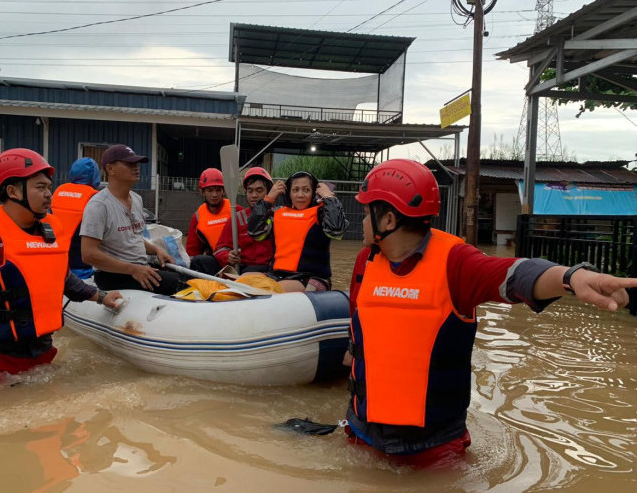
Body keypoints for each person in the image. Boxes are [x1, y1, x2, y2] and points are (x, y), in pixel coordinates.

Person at [344, 159, 637, 466]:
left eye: (366, 213)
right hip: (363, 432)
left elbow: (516, 273)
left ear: (388, 220)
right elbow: (358, 325)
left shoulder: (456, 263)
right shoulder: (366, 261)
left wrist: (570, 277)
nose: (362, 221)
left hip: (432, 447)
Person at [0, 148, 122, 392]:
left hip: (40, 354)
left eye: (49, 187)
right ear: (12, 191)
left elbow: (62, 277)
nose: (49, 195)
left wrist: (100, 297)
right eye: (40, 188)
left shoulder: (50, 232)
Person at [80, 144, 185, 295]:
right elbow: (88, 254)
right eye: (129, 164)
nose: (136, 168)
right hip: (113, 275)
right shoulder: (99, 205)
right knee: (179, 285)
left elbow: (130, 237)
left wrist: (156, 250)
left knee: (188, 273)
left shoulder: (137, 199)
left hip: (139, 267)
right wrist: (133, 269)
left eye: (136, 164)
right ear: (110, 169)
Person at [248, 171, 348, 292]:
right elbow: (255, 233)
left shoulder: (321, 214)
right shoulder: (277, 214)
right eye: (295, 190)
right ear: (289, 194)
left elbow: (336, 231)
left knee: (275, 289)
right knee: (244, 278)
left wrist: (329, 198)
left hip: (311, 278)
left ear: (313, 193)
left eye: (306, 190)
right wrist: (268, 200)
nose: (300, 195)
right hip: (277, 276)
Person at [213, 167, 275, 274]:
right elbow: (220, 248)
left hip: (264, 270)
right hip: (238, 267)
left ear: (269, 192)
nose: (254, 195)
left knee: (250, 271)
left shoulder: (277, 217)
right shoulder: (237, 218)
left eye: (259, 191)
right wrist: (228, 256)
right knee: (200, 261)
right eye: (250, 191)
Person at [51, 157, 100, 279]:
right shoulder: (94, 198)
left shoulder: (59, 192)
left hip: (57, 260)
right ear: (95, 176)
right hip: (82, 266)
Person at [186, 167, 235, 275]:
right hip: (216, 263)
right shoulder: (198, 217)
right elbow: (192, 251)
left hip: (237, 261)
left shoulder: (235, 209)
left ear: (223, 191)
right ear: (202, 192)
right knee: (197, 261)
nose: (214, 195)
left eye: (218, 190)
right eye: (210, 190)